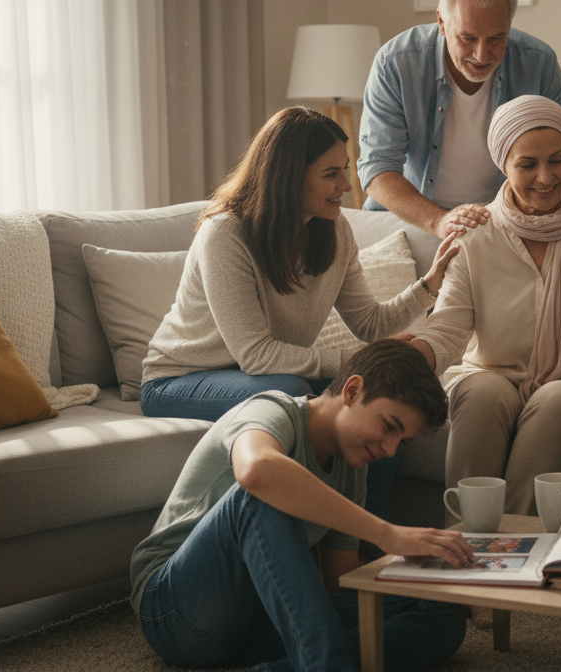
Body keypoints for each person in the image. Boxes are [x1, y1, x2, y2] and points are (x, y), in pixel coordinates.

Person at [141, 106, 461, 531]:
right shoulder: (225, 234)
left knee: (379, 400)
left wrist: (429, 284)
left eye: (345, 170)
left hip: (262, 373)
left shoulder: (334, 231)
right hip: (180, 379)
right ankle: (305, 545)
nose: (346, 186)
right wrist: (352, 362)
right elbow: (257, 357)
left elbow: (368, 321)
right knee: (288, 392)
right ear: (289, 175)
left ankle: (372, 554)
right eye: (331, 174)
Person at [132, 339, 473, 671]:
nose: (390, 449)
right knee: (258, 497)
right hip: (176, 612)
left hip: (260, 616)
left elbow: (337, 581)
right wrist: (387, 533)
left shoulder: (351, 469)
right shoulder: (271, 409)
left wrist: (418, 569)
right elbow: (256, 471)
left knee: (441, 612)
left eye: (402, 440)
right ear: (352, 391)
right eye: (389, 427)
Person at [401, 95, 561, 516]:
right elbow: (447, 328)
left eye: (557, 161)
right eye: (527, 165)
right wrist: (412, 356)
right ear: (503, 164)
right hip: (489, 371)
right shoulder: (475, 234)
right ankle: (465, 541)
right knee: (480, 394)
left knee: (554, 401)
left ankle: (517, 547)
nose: (545, 177)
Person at [358, 0, 561, 240]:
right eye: (468, 38)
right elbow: (377, 167)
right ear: (442, 23)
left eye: (496, 39)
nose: (482, 55)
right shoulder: (396, 63)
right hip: (411, 221)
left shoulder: (538, 62)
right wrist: (439, 221)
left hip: (504, 221)